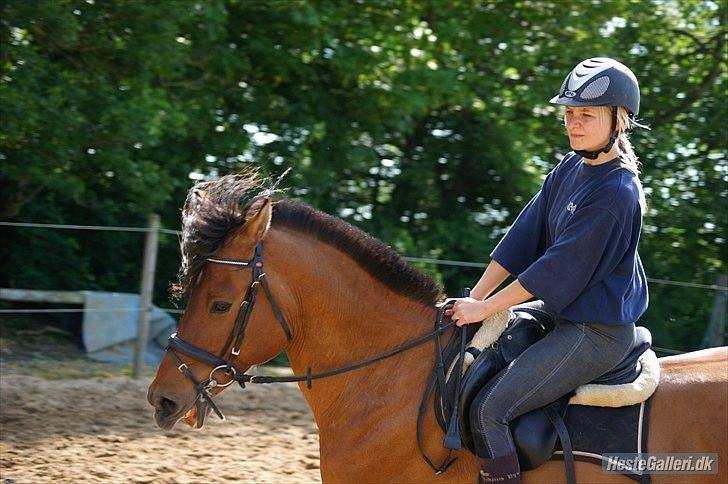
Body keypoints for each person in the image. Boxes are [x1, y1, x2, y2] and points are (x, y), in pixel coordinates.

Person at [446, 57, 649, 483]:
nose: (574, 124)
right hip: (560, 313)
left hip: (594, 332)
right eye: (569, 114)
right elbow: (523, 237)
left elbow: (555, 271)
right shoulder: (571, 168)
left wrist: (484, 310)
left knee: (490, 411)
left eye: (586, 115)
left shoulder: (617, 192)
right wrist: (478, 297)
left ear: (619, 120)